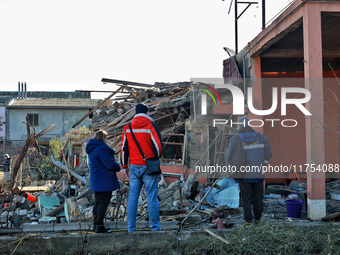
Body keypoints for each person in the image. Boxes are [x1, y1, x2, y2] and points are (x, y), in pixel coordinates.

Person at [120, 103, 163, 232]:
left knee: (133, 197)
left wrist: (124, 165)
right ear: (146, 112)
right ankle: (155, 228)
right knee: (151, 197)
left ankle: (131, 228)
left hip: (133, 166)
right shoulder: (151, 126)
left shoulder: (127, 127)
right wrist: (155, 157)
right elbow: (159, 147)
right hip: (149, 167)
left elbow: (123, 148)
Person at [226, 116, 272, 223]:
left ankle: (248, 223)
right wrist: (262, 164)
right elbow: (268, 154)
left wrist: (235, 166)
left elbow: (228, 156)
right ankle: (257, 222)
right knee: (258, 199)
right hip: (258, 174)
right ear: (249, 125)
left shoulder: (235, 139)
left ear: (239, 126)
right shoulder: (260, 137)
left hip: (243, 175)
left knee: (246, 199)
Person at [85, 130, 121, 233]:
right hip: (104, 180)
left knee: (97, 202)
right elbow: (110, 164)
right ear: (103, 138)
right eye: (106, 138)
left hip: (96, 179)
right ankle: (100, 226)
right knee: (103, 202)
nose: (107, 140)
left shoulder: (92, 148)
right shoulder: (102, 149)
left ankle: (96, 225)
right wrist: (117, 166)